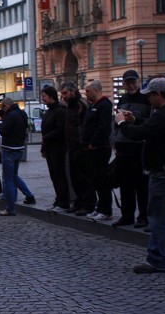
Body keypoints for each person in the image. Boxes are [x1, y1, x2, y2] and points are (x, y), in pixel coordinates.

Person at [115, 77, 165, 274]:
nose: (148, 99)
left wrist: (123, 123)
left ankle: (157, 259)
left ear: (158, 94)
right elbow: (151, 126)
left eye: (150, 96)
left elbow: (139, 133)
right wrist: (136, 119)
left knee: (159, 217)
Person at [112, 70, 152, 228]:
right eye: (127, 82)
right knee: (125, 186)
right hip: (123, 149)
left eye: (133, 81)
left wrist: (134, 120)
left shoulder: (146, 99)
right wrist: (115, 142)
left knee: (142, 186)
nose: (131, 85)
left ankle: (143, 216)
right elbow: (117, 123)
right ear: (123, 84)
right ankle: (127, 215)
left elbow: (149, 123)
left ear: (138, 81)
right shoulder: (122, 99)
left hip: (139, 149)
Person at [82, 80, 113, 221]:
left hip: (100, 148)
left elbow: (103, 127)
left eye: (88, 91)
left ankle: (106, 209)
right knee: (95, 179)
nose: (86, 93)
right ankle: (100, 207)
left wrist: (94, 143)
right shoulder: (92, 106)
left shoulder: (104, 105)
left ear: (96, 90)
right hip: (91, 148)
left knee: (102, 180)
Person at [0, 98, 33, 216]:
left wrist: (0, 121)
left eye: (3, 108)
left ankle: (10, 208)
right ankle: (29, 195)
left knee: (8, 180)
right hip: (19, 148)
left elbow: (3, 131)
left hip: (9, 149)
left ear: (6, 106)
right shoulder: (22, 113)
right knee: (14, 176)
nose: (2, 110)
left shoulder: (11, 115)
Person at [60, 81, 91, 215]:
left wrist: (84, 143)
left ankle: (88, 203)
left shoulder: (81, 105)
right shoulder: (69, 106)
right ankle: (79, 202)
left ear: (73, 91)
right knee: (74, 176)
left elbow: (85, 125)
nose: (64, 96)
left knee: (83, 176)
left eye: (65, 93)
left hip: (80, 145)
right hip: (72, 145)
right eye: (62, 94)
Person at [40, 85, 70, 212]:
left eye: (44, 96)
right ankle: (59, 199)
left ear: (51, 96)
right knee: (54, 175)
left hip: (58, 147)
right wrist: (44, 147)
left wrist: (47, 138)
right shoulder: (49, 111)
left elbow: (60, 129)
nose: (43, 99)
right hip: (50, 148)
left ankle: (64, 201)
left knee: (59, 174)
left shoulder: (60, 110)